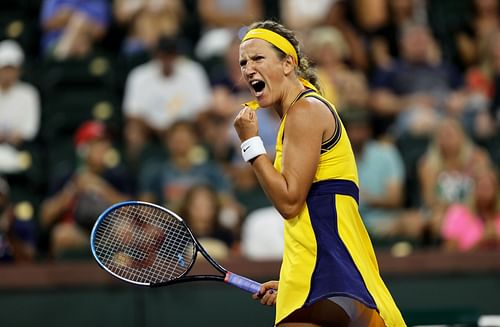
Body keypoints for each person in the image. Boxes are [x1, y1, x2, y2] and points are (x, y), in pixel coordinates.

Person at [233, 20, 405, 326]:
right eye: (243, 62)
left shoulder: (305, 111)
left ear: (288, 64)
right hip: (330, 268)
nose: (248, 69)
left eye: (258, 58)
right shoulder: (301, 112)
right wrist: (292, 281)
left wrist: (250, 144)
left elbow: (289, 202)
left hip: (331, 267)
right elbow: (310, 214)